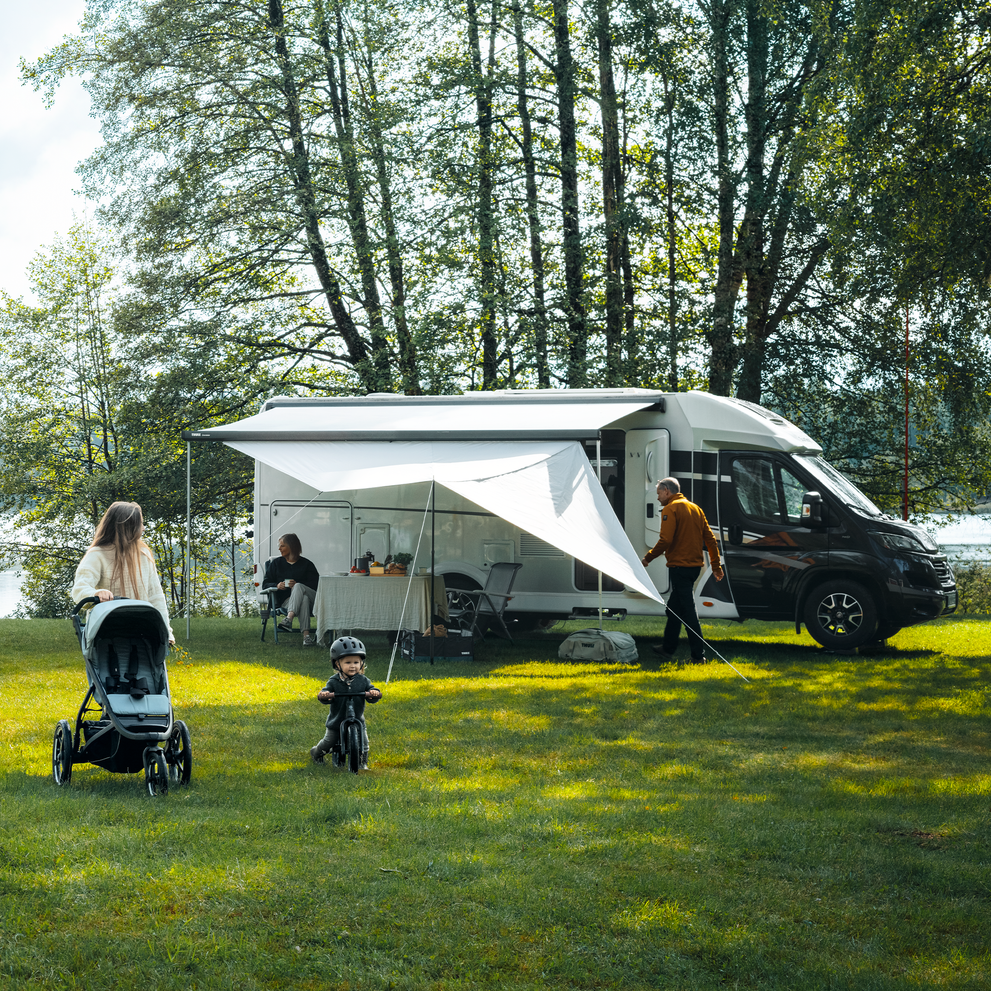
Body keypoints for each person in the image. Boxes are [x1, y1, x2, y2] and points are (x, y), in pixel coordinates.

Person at [641, 477, 723, 664]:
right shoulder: (695, 508)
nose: (658, 497)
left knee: (688, 612)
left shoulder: (671, 509)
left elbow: (666, 540)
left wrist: (648, 558)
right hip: (694, 568)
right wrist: (716, 566)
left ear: (667, 491)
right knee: (674, 609)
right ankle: (667, 648)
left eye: (659, 493)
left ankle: (698, 656)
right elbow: (710, 540)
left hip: (680, 567)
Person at [71, 501, 175, 645]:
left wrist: (166, 631)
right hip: (106, 633)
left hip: (144, 632)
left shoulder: (143, 555)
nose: (143, 529)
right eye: (141, 524)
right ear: (128, 527)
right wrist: (97, 593)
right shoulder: (97, 554)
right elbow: (79, 589)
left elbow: (156, 597)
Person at [310, 636, 382, 769]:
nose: (353, 666)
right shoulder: (334, 681)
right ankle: (316, 752)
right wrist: (325, 694)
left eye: (356, 662)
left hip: (358, 719)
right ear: (337, 664)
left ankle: (362, 763)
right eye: (348, 662)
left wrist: (374, 693)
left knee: (364, 742)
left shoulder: (363, 680)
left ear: (361, 663)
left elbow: (372, 689)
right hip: (336, 721)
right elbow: (326, 691)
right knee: (328, 742)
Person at [262, 532, 320, 646]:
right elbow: (265, 584)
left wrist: (299, 584)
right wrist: (277, 585)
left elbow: (317, 584)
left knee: (299, 587)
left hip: (313, 601)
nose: (279, 548)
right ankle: (306, 637)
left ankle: (289, 618)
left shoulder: (307, 564)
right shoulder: (276, 564)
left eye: (282, 545)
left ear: (292, 546)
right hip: (287, 602)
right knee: (303, 599)